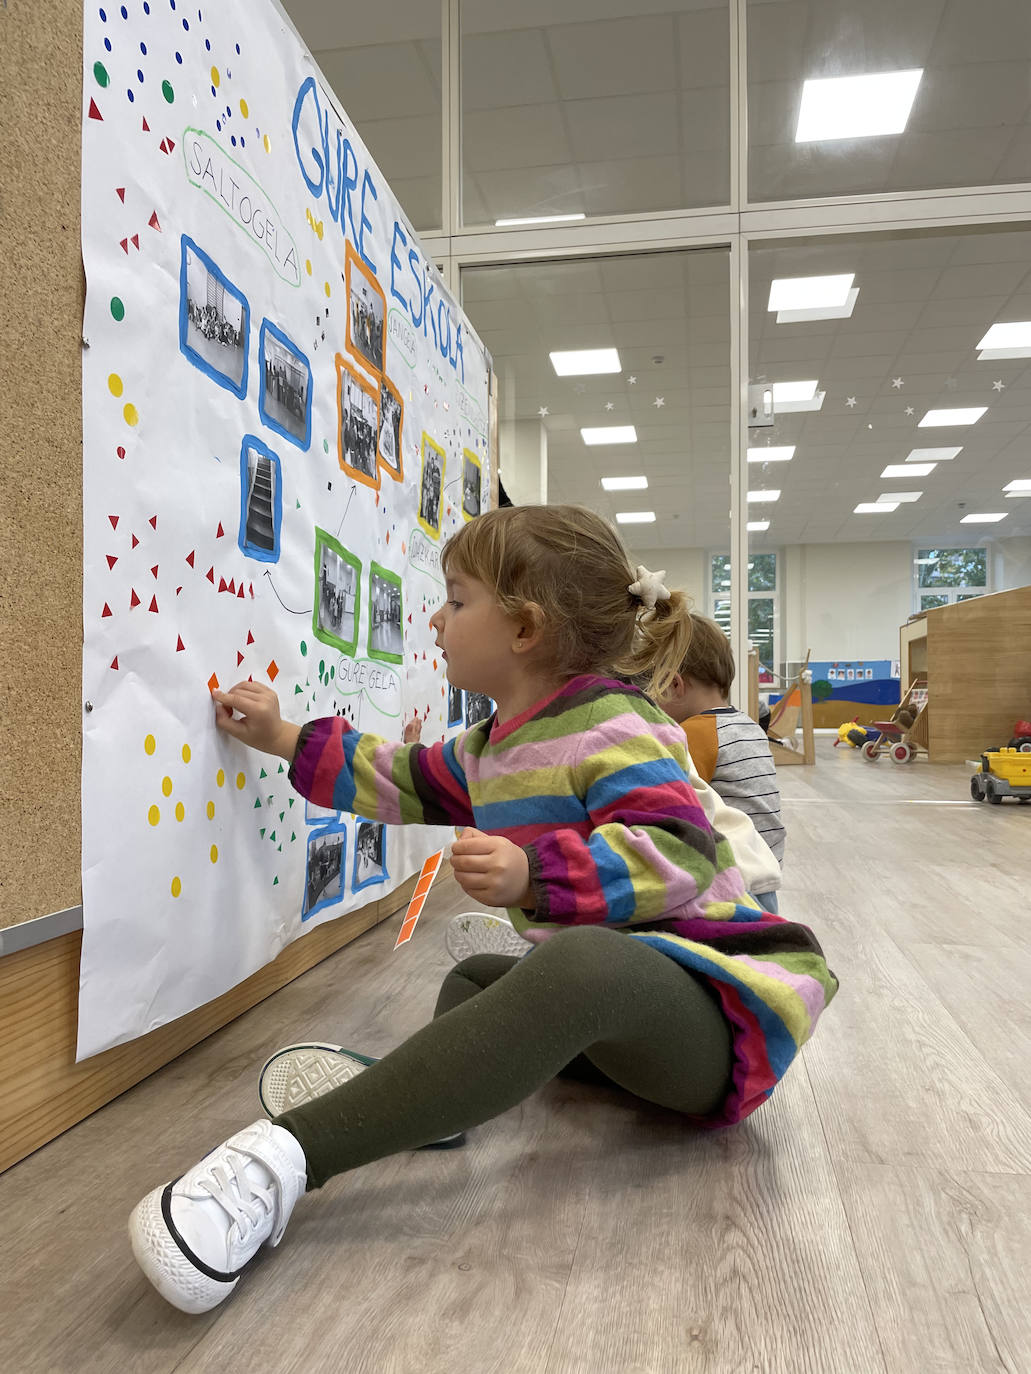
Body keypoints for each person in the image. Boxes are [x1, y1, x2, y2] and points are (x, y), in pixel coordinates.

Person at [128, 506, 837, 1315]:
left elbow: (679, 854)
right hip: (629, 1018)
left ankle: (289, 1160)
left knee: (580, 962)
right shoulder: (491, 747)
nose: (435, 618)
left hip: (715, 1020)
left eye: (456, 600)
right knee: (474, 976)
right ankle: (426, 1102)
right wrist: (285, 736)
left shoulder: (616, 723)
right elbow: (397, 777)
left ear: (525, 629)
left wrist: (534, 873)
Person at [653, 612, 785, 912]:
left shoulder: (695, 733)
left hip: (733, 884)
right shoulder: (750, 725)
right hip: (766, 874)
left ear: (674, 685)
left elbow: (672, 804)